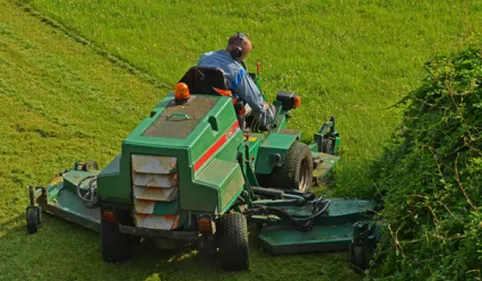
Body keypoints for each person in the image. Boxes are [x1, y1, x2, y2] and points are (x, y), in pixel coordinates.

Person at [197, 32, 276, 128]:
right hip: (227, 109)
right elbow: (255, 101)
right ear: (237, 52)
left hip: (201, 102)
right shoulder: (236, 71)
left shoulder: (205, 57)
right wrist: (266, 110)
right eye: (244, 55)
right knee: (260, 109)